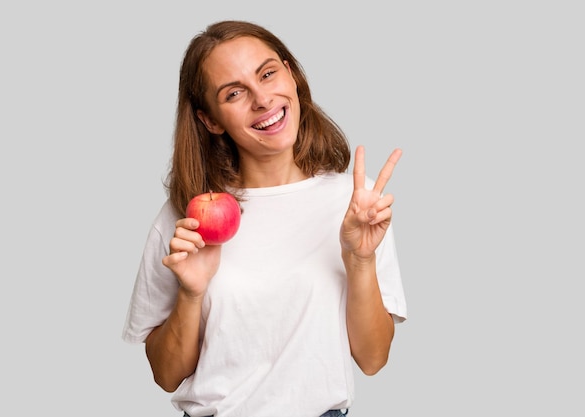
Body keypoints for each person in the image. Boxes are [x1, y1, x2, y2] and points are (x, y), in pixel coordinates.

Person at [122, 20, 407, 417]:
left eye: (268, 73)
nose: (262, 99)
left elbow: (373, 359)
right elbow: (166, 375)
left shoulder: (355, 205)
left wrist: (359, 260)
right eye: (235, 93)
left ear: (290, 74)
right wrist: (191, 294)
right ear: (210, 120)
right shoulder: (184, 219)